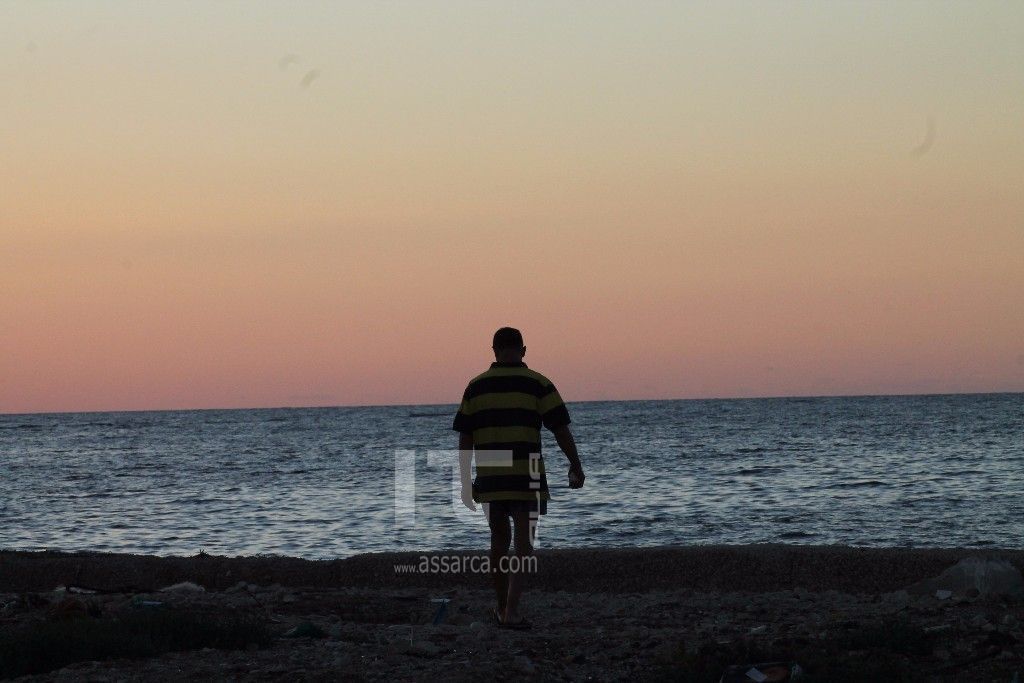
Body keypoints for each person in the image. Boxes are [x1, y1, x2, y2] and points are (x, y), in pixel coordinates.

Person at [453, 327, 584, 628]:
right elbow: (560, 429)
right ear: (523, 350)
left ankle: (501, 608)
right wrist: (575, 464)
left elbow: (466, 436)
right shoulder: (538, 383)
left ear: (493, 350)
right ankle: (511, 610)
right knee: (524, 544)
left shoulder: (476, 387)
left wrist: (463, 480)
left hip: (491, 476)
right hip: (528, 475)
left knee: (499, 541)